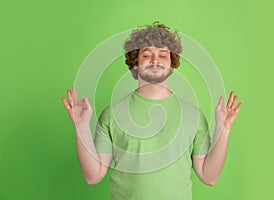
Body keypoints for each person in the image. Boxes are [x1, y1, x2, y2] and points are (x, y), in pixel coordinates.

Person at [62, 22, 242, 200]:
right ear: (134, 64)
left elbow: (208, 176)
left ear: (172, 64)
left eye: (163, 55)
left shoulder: (193, 116)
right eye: (147, 55)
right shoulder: (112, 114)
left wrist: (223, 127)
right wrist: (81, 126)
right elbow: (93, 176)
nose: (155, 60)